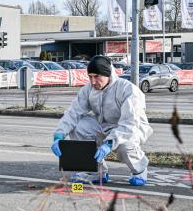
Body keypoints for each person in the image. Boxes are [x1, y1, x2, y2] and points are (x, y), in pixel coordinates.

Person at [51, 55, 153, 186]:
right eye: (90, 77)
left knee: (124, 146)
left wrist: (109, 144)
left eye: (97, 76)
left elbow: (129, 123)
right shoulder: (88, 90)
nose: (93, 82)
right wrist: (59, 134)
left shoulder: (128, 90)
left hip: (132, 128)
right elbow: (73, 113)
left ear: (108, 74)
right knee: (78, 127)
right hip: (104, 125)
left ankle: (139, 170)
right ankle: (97, 171)